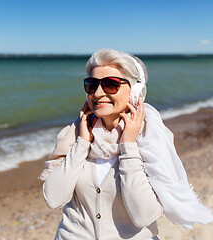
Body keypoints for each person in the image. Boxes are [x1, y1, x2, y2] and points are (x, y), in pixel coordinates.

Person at [39, 49, 213, 239]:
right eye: (91, 84)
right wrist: (82, 144)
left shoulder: (149, 142)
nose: (98, 93)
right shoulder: (72, 136)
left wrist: (128, 146)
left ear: (136, 91)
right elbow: (54, 198)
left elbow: (143, 216)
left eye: (110, 85)